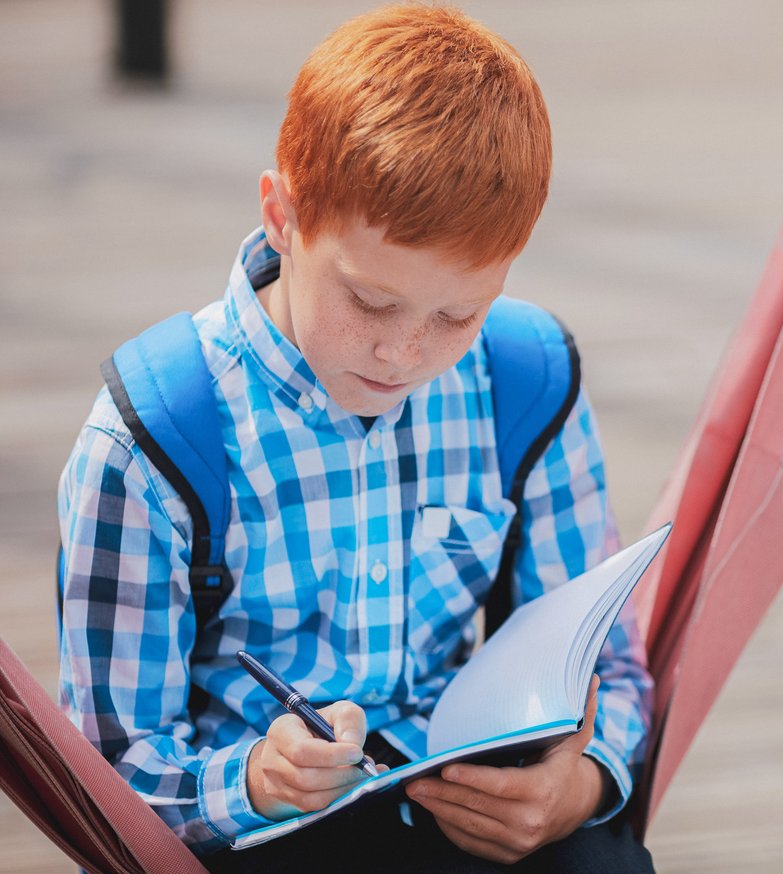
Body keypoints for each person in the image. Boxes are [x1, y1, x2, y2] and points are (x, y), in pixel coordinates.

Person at [56, 6, 654, 871]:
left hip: (459, 806)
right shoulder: (150, 442)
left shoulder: (527, 382)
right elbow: (108, 775)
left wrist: (580, 785)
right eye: (370, 301)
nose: (403, 354)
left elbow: (614, 674)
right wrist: (256, 780)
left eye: (458, 315)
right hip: (258, 834)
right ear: (282, 215)